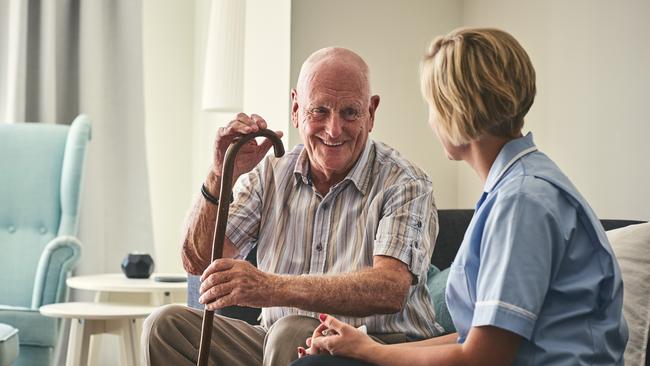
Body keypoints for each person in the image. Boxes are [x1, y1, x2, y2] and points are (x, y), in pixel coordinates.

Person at [293, 28, 628, 366]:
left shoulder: (522, 202)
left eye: (432, 105)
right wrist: (360, 346)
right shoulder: (518, 186)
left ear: (456, 109)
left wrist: (373, 352)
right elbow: (479, 339)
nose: (431, 119)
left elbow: (483, 357)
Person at [141, 47, 442, 366]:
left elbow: (389, 289)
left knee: (291, 331)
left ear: (371, 112)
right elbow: (198, 261)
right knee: (164, 326)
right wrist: (219, 175)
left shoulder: (405, 182)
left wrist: (270, 287)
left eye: (350, 113)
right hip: (275, 344)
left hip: (377, 347)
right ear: (296, 108)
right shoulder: (269, 175)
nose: (334, 129)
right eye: (320, 111)